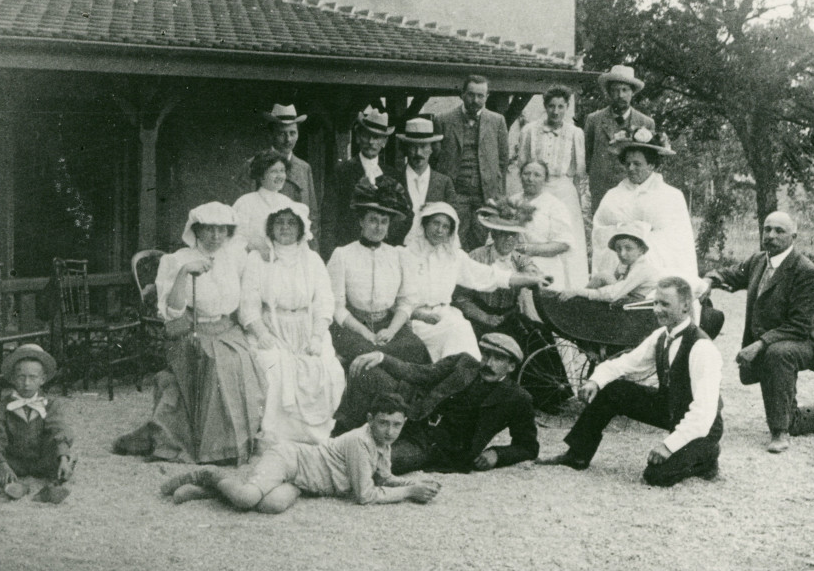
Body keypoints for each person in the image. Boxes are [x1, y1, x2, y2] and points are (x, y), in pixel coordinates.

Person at [703, 211, 814, 453]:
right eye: (767, 229)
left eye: (779, 231)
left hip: (805, 340)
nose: (771, 235)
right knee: (791, 416)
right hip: (775, 342)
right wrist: (710, 279)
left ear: (793, 236)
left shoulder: (806, 271)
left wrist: (759, 344)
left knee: (777, 354)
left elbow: (801, 324)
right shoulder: (758, 261)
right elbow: (731, 274)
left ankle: (779, 433)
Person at [114, 202, 267, 465]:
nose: (216, 236)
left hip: (227, 330)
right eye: (209, 229)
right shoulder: (176, 260)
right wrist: (185, 273)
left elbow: (248, 297)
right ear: (196, 230)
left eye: (222, 230)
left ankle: (237, 441)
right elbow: (172, 313)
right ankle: (212, 447)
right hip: (190, 333)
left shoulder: (235, 259)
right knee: (218, 364)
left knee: (248, 363)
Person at [538, 277, 723, 487]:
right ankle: (577, 455)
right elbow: (626, 363)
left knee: (656, 476)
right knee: (613, 389)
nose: (657, 310)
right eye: (655, 303)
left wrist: (669, 446)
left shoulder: (702, 348)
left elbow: (703, 414)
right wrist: (595, 381)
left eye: (665, 304)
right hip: (670, 409)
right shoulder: (661, 335)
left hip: (702, 427)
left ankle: (707, 457)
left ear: (686, 307)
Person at [160, 394, 441, 510]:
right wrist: (407, 494)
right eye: (383, 423)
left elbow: (384, 477)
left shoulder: (383, 444)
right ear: (369, 419)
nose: (390, 431)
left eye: (396, 425)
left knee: (271, 505)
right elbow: (365, 495)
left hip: (302, 481)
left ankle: (208, 491)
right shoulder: (360, 441)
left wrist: (413, 484)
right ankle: (208, 474)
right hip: (289, 458)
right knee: (247, 499)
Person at [337, 334, 539, 474]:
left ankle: (337, 456)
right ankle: (343, 432)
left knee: (374, 462)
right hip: (411, 416)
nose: (488, 364)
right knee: (367, 371)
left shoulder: (517, 398)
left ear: (511, 366)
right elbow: (420, 373)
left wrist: (497, 454)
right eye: (486, 355)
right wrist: (381, 357)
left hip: (432, 447)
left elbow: (528, 447)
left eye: (498, 359)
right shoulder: (464, 363)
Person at [453, 199, 573, 413]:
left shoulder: (518, 258)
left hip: (508, 315)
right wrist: (484, 317)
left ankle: (551, 396)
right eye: (504, 234)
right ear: (495, 235)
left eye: (513, 235)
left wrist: (539, 277)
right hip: (478, 316)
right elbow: (461, 299)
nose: (509, 239)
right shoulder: (476, 257)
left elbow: (533, 272)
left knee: (538, 334)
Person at [240, 206, 345, 445]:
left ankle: (311, 435)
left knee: (327, 369)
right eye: (279, 223)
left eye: (291, 223)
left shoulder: (312, 259)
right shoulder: (257, 259)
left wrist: (317, 336)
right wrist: (261, 332)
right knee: (273, 367)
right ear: (270, 227)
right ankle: (276, 437)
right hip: (271, 327)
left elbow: (324, 300)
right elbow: (249, 301)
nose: (285, 228)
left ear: (301, 228)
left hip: (307, 328)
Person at [404, 201, 549, 362]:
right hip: (418, 318)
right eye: (435, 223)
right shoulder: (404, 255)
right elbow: (462, 297)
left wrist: (533, 278)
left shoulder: (455, 257)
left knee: (465, 337)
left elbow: (493, 276)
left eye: (445, 227)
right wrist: (485, 317)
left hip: (454, 316)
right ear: (424, 224)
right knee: (460, 334)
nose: (440, 230)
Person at [326, 176, 429, 367]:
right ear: (361, 222)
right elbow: (336, 306)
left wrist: (391, 330)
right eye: (373, 220)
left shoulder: (398, 256)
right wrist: (364, 332)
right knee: (366, 355)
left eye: (384, 221)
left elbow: (406, 302)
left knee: (415, 348)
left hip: (388, 325)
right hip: (354, 326)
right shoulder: (343, 255)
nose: (378, 227)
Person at [589, 128, 699, 295]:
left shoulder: (670, 195)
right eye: (628, 164)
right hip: (618, 268)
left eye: (637, 164)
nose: (631, 168)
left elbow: (676, 240)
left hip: (655, 273)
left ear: (652, 165)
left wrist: (635, 234)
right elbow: (601, 232)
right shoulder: (613, 196)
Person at [0, 344, 75, 502]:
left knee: (70, 456)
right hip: (14, 462)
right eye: (21, 377)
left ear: (42, 379)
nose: (26, 383)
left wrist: (63, 459)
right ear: (12, 378)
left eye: (32, 377)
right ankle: (8, 483)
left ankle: (53, 486)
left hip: (42, 460)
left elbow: (58, 430)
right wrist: (2, 464)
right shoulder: (4, 406)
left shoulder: (50, 404)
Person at [518, 84, 589, 286]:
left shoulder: (575, 133)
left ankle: (571, 287)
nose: (556, 111)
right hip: (538, 189)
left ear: (567, 107)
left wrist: (577, 198)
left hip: (564, 191)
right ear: (545, 106)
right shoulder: (530, 130)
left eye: (560, 106)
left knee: (567, 238)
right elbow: (523, 163)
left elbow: (579, 170)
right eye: (551, 106)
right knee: (537, 232)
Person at [434, 74, 509, 250]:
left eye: (480, 96)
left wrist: (498, 197)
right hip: (455, 193)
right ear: (462, 94)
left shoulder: (497, 121)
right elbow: (435, 160)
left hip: (484, 195)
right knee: (454, 240)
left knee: (479, 241)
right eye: (471, 94)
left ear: (487, 97)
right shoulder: (443, 120)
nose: (475, 100)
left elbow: (503, 162)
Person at [320, 107, 395, 259]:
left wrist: (386, 239)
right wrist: (331, 254)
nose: (371, 142)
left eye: (377, 137)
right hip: (348, 252)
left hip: (382, 253)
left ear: (384, 142)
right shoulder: (341, 172)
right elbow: (329, 218)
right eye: (367, 135)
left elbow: (405, 215)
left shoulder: (392, 175)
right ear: (358, 136)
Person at [583, 64, 656, 207]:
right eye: (615, 90)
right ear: (609, 92)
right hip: (602, 189)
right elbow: (588, 156)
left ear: (632, 92)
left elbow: (650, 161)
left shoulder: (645, 123)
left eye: (625, 90)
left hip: (634, 188)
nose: (620, 95)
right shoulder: (594, 120)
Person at [512, 160, 586, 291]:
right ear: (520, 176)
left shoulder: (555, 205)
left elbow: (563, 244)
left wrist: (528, 249)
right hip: (514, 262)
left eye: (537, 175)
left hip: (545, 264)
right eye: (526, 174)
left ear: (545, 179)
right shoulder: (512, 201)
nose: (530, 179)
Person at [387, 117, 458, 246]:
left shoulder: (444, 183)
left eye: (423, 146)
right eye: (413, 147)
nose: (418, 153)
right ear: (405, 149)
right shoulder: (392, 181)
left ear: (432, 148)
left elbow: (452, 222)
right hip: (399, 250)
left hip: (433, 253)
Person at [560, 221, 661, 305]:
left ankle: (577, 302)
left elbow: (613, 294)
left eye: (628, 248)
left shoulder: (642, 268)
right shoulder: (628, 265)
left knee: (604, 277)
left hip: (637, 307)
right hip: (628, 300)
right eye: (618, 249)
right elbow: (613, 283)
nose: (622, 254)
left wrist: (580, 292)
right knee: (604, 275)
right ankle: (577, 302)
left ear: (641, 250)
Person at [260, 103, 320, 246]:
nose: (288, 140)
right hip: (266, 246)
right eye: (282, 133)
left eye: (292, 133)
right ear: (271, 134)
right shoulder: (256, 165)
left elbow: (313, 216)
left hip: (298, 248)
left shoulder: (304, 168)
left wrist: (313, 250)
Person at [233, 149, 314, 254]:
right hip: (254, 262)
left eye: (282, 171)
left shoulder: (288, 203)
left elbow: (300, 243)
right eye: (274, 171)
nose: (280, 176)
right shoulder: (245, 203)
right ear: (261, 175)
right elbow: (236, 241)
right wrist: (255, 247)